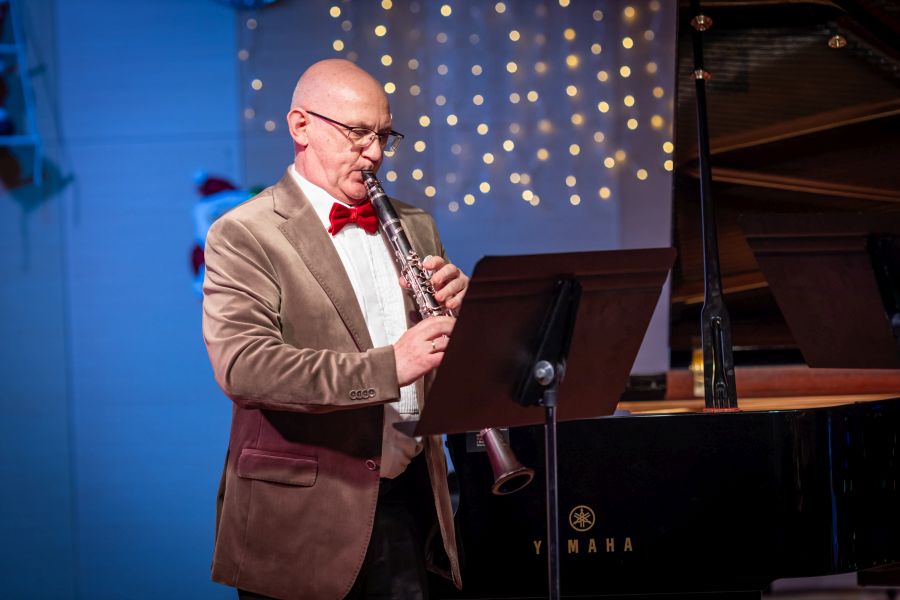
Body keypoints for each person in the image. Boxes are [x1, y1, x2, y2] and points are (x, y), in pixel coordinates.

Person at [202, 59, 467, 599]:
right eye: (357, 133)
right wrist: (390, 366)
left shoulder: (416, 225)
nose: (375, 152)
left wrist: (463, 325)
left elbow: (438, 371)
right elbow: (245, 368)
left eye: (383, 135)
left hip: (409, 500)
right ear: (301, 126)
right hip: (302, 516)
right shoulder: (244, 233)